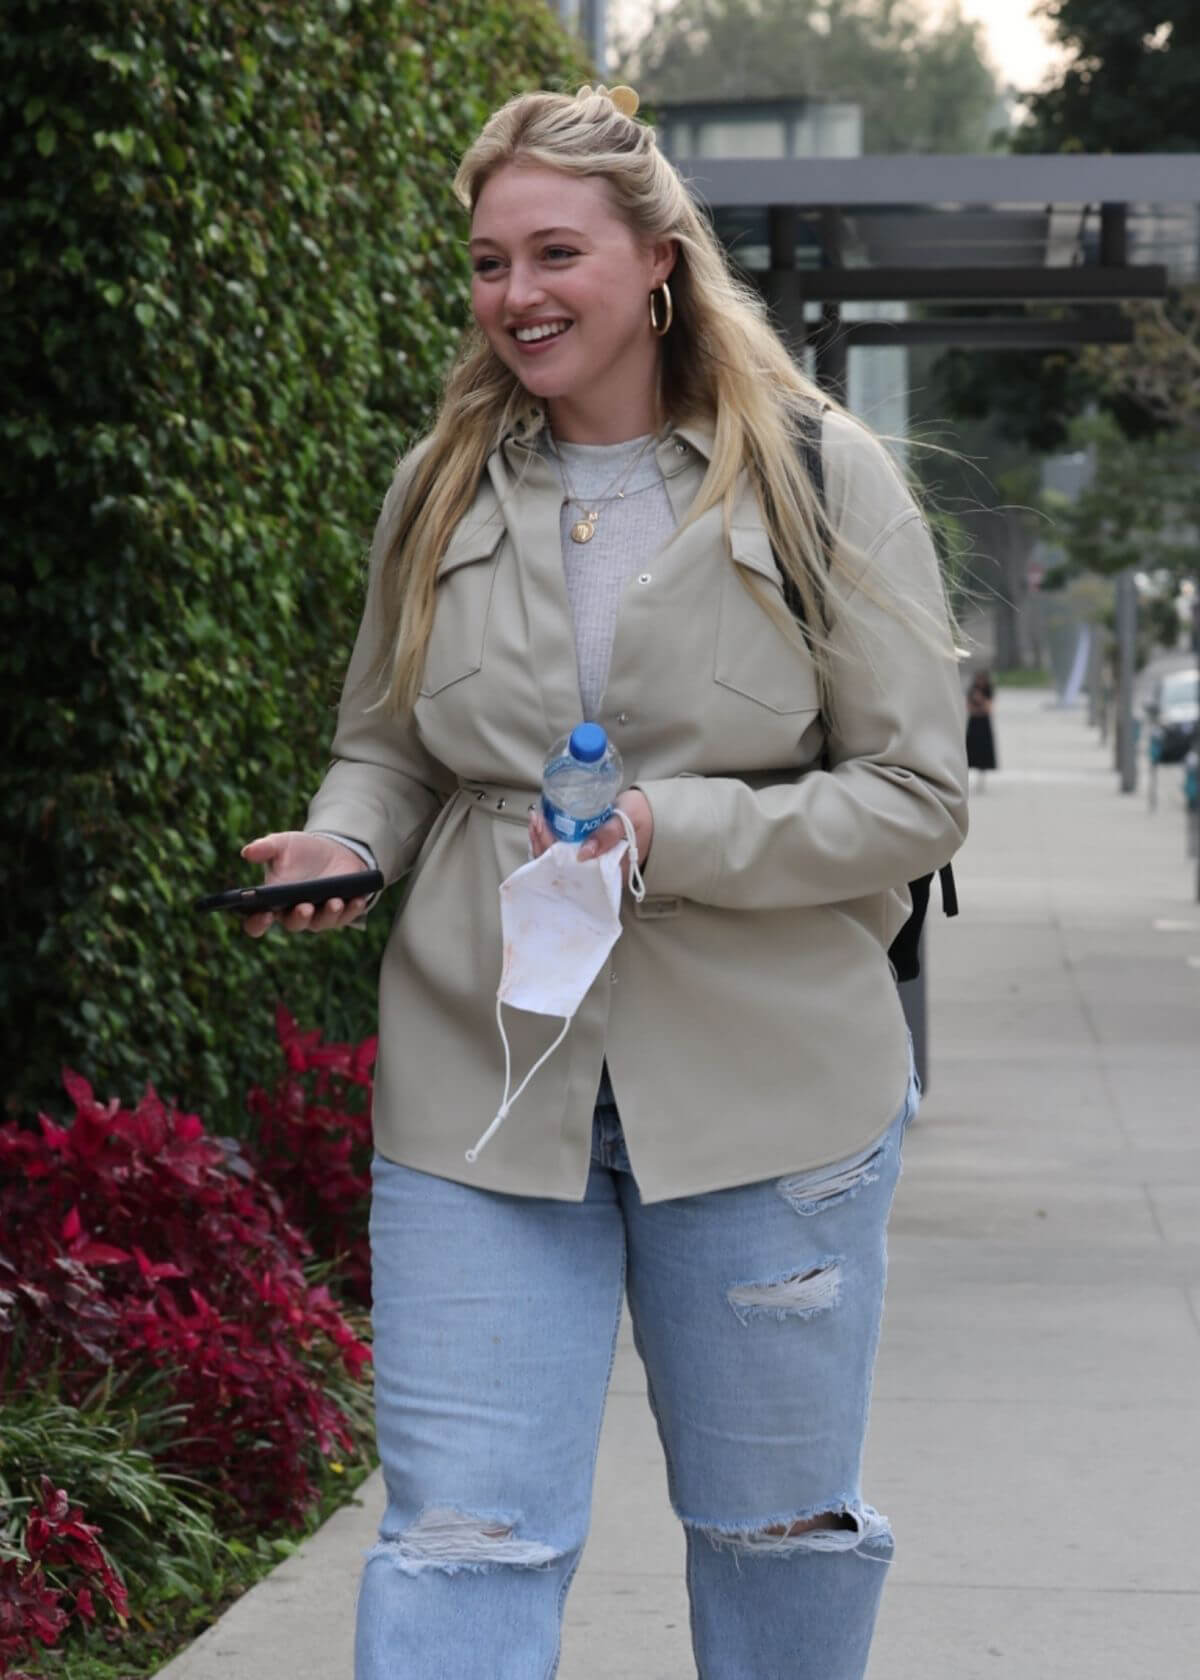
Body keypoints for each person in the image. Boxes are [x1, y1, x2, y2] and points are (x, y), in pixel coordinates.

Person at [240, 83, 968, 1680]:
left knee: (778, 1537)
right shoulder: (438, 486)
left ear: (656, 262)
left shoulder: (817, 477)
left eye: (553, 252)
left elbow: (918, 798)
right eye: (489, 263)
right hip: (481, 1091)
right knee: (458, 1542)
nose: (517, 296)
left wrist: (670, 832)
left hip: (776, 1098)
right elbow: (390, 746)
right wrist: (347, 841)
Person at [965, 667, 997, 789]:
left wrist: (981, 700)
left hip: (984, 724)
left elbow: (989, 709)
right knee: (970, 751)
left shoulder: (987, 690)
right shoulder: (972, 690)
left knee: (983, 752)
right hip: (974, 723)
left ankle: (981, 779)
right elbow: (969, 708)